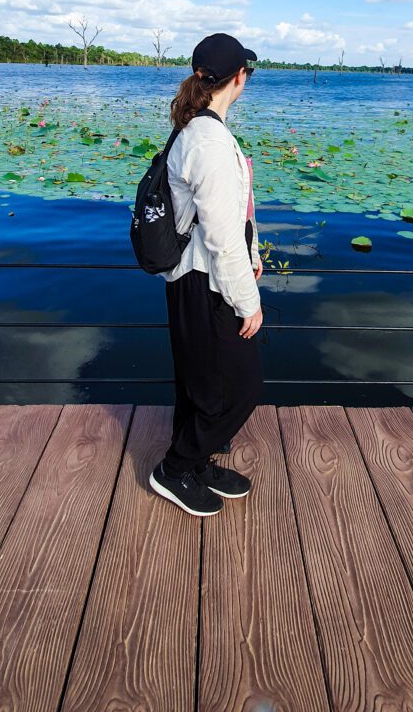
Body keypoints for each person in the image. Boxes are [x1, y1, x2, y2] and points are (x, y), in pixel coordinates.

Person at [148, 32, 264, 516]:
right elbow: (220, 237)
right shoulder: (210, 142)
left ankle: (196, 462)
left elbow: (230, 216)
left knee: (201, 381)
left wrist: (253, 250)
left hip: (196, 276)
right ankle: (174, 469)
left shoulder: (200, 128)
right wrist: (249, 302)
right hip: (206, 281)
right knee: (239, 388)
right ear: (239, 78)